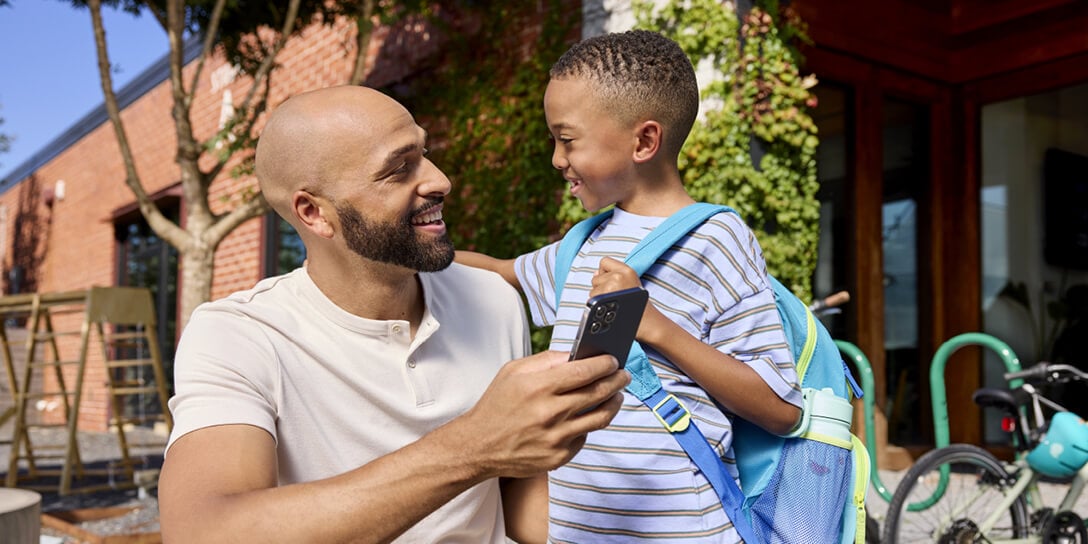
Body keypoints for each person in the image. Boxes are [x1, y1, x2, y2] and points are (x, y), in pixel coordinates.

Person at [157, 85, 630, 544]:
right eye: (399, 169)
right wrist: (473, 446)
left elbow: (514, 502)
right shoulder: (239, 336)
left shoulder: (492, 300)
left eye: (425, 153)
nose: (440, 180)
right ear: (314, 213)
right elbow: (203, 529)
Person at [455, 30, 804, 541]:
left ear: (644, 141)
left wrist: (656, 328)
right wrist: (405, 253)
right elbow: (500, 274)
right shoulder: (581, 244)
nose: (556, 158)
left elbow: (781, 408)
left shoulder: (717, 238)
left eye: (567, 139)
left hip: (686, 531)